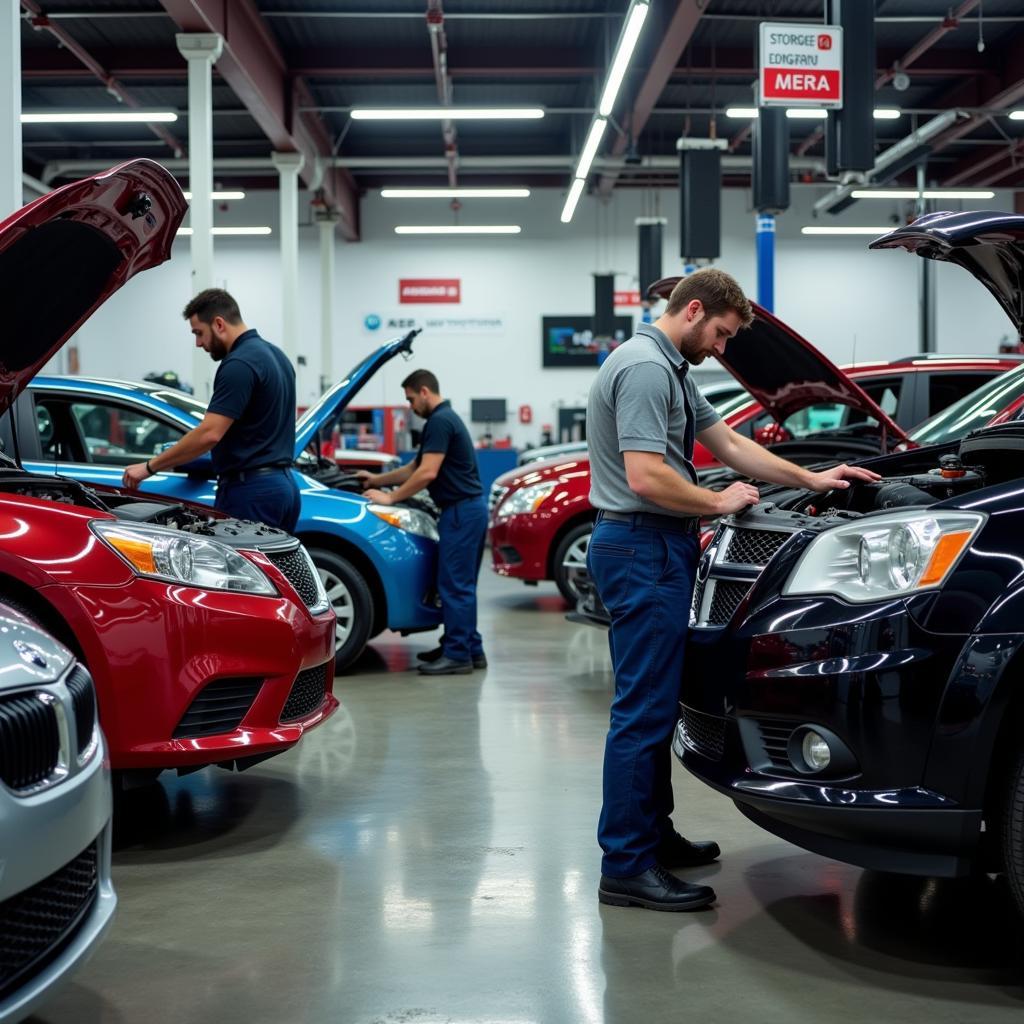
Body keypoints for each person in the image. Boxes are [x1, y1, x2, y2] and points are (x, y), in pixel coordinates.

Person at [588, 268, 880, 913]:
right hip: (640, 545)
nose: (722, 348)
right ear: (693, 311)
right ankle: (626, 865)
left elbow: (730, 445)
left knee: (656, 706)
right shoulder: (642, 367)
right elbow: (644, 477)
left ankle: (652, 836)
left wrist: (814, 479)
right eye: (720, 334)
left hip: (657, 547)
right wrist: (716, 501)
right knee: (640, 712)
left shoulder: (673, 370)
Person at [123, 289, 301, 533]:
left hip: (251, 491)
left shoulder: (238, 364)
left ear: (219, 324)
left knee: (241, 570)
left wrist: (149, 467)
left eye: (199, 333)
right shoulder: (277, 357)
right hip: (285, 487)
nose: (198, 343)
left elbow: (209, 434)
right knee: (273, 570)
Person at [359, 370, 488, 676]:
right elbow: (414, 467)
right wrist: (378, 479)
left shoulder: (440, 421)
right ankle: (469, 647)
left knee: (454, 586)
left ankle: (458, 655)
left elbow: (427, 473)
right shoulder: (445, 420)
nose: (410, 406)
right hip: (467, 511)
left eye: (411, 399)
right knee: (461, 585)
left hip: (460, 512)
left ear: (425, 391)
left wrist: (390, 499)